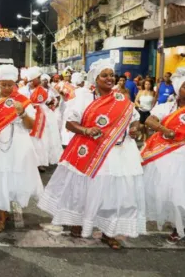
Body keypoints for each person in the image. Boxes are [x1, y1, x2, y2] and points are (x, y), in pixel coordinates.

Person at [38, 58, 146, 250]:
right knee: (84, 189)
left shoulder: (122, 98)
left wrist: (135, 129)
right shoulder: (83, 97)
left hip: (119, 152)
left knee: (115, 193)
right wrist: (86, 130)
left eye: (112, 75)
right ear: (96, 79)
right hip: (90, 150)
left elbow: (134, 119)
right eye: (104, 75)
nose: (109, 78)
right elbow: (70, 123)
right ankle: (78, 221)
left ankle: (109, 232)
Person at [0, 64, 43, 233]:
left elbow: (31, 125)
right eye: (3, 84)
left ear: (15, 84)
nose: (7, 88)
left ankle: (5, 209)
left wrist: (22, 114)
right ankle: (1, 214)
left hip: (17, 144)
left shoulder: (22, 100)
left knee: (10, 178)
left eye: (10, 84)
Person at [142, 73, 185, 244]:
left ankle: (179, 227)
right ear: (178, 89)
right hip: (169, 155)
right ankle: (177, 225)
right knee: (173, 193)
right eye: (184, 86)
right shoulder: (167, 107)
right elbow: (149, 121)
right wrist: (165, 130)